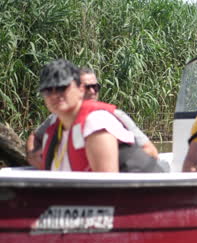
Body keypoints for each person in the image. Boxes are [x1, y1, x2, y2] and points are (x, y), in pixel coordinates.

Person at [34, 59, 164, 172]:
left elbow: (106, 190)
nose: (55, 94)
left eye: (62, 87)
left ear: (80, 89)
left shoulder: (96, 122)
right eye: (47, 90)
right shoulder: (57, 126)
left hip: (144, 195)